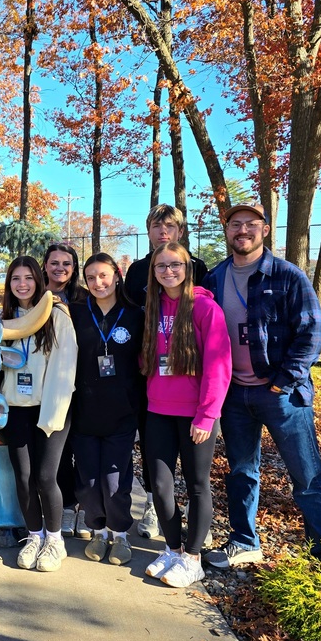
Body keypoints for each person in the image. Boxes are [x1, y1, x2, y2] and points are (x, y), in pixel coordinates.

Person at [202, 203, 321, 569]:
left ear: (265, 230)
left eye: (251, 224)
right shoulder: (214, 279)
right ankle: (244, 541)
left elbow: (312, 333)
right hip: (234, 394)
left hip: (282, 395)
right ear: (227, 231)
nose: (242, 230)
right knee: (241, 472)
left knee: (307, 477)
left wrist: (282, 383)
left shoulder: (287, 275)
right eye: (235, 224)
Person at [141, 243, 231, 587]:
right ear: (153, 271)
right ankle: (172, 549)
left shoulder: (205, 308)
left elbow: (219, 366)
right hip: (157, 410)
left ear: (187, 267)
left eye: (175, 265)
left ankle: (192, 558)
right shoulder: (152, 307)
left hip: (196, 414)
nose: (168, 271)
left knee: (196, 485)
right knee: (160, 486)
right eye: (161, 266)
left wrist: (207, 415)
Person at [123, 204, 209, 542]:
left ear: (180, 232)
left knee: (194, 457)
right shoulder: (137, 271)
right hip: (153, 377)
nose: (163, 232)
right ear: (148, 231)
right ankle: (153, 505)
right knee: (154, 451)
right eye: (157, 226)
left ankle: (196, 514)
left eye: (170, 226)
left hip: (190, 379)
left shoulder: (197, 268)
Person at [0, 257, 78, 572]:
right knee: (23, 477)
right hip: (15, 409)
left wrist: (52, 417)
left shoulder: (57, 314)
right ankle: (34, 536)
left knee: (46, 477)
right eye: (15, 278)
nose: (22, 284)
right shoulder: (3, 319)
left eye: (28, 278)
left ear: (39, 280)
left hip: (51, 409)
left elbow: (64, 368)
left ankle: (55, 540)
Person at [69, 253, 146, 566]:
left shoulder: (135, 314)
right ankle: (98, 531)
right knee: (88, 482)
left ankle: (120, 534)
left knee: (114, 482)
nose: (98, 283)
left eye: (103, 275)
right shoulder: (75, 313)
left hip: (121, 413)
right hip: (84, 411)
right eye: (91, 278)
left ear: (117, 274)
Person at [41, 242, 89, 539]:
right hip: (46, 386)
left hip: (82, 384)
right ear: (45, 265)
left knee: (81, 448)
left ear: (74, 268)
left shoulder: (84, 299)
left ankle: (85, 507)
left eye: (66, 263)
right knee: (56, 452)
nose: (60, 268)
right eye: (54, 262)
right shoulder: (35, 296)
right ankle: (67, 505)